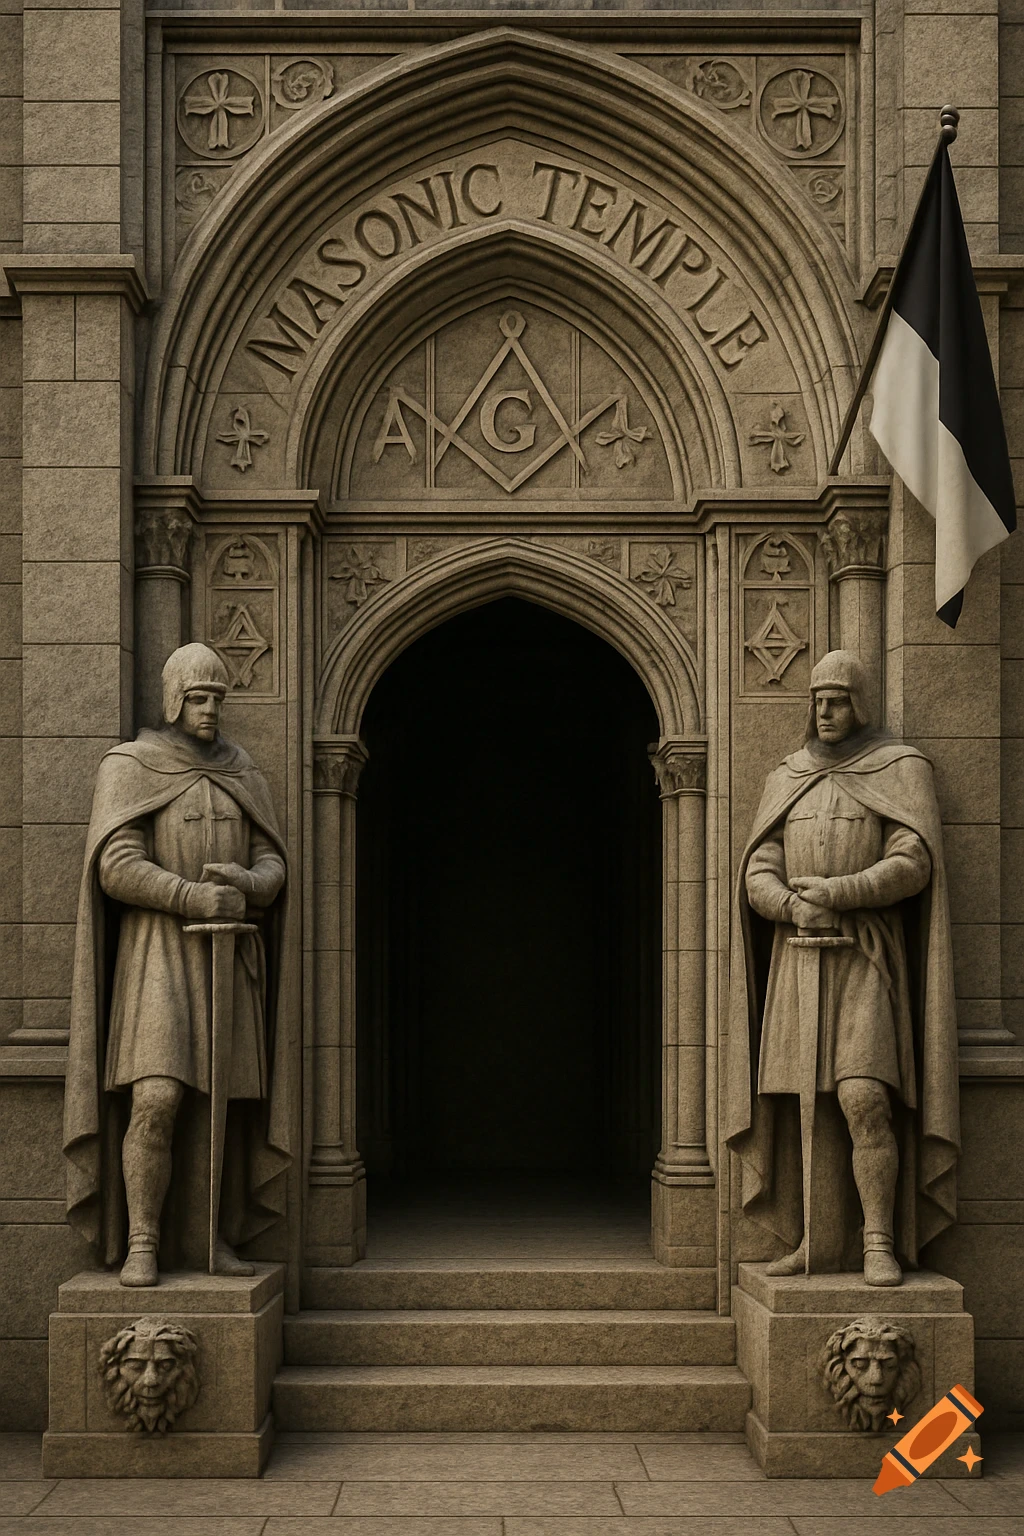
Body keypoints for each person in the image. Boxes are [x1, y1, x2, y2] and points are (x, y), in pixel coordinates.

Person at [725, 650, 959, 1286]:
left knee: (863, 1100)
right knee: (807, 1108)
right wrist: (793, 907)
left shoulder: (897, 769)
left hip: (864, 962)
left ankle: (878, 1240)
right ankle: (816, 1240)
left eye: (837, 700)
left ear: (861, 704)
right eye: (817, 701)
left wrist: (841, 892)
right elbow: (757, 871)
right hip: (797, 968)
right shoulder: (788, 775)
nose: (824, 712)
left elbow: (913, 862)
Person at [64, 644, 291, 1286]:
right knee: (157, 1100)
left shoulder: (241, 770)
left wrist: (247, 881)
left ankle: (209, 1236)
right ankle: (143, 1241)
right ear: (173, 701)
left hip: (227, 957)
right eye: (198, 698)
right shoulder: (133, 765)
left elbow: (274, 866)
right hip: (157, 957)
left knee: (219, 1106)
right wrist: (189, 893)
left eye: (218, 698)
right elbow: (114, 866)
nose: (210, 709)